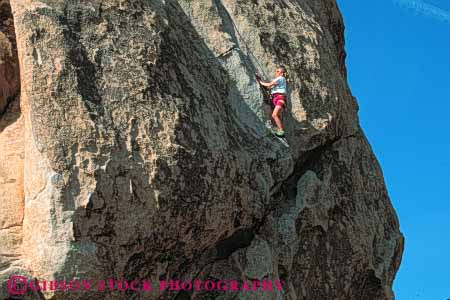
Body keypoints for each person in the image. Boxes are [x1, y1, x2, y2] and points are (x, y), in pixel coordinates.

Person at [256, 66, 288, 138]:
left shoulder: (281, 78)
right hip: (276, 99)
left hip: (280, 98)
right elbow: (268, 87)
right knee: (277, 116)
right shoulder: (279, 81)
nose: (276, 72)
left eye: (278, 71)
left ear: (282, 73)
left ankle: (281, 131)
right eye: (276, 71)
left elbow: (269, 84)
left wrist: (260, 81)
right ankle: (279, 129)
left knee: (274, 115)